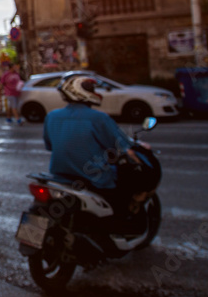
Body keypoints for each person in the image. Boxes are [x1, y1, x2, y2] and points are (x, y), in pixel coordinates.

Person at [44, 74, 157, 223]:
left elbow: (49, 145)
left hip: (59, 176)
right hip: (94, 178)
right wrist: (139, 158)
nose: (94, 91)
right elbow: (124, 148)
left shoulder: (52, 116)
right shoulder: (98, 118)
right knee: (129, 185)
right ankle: (121, 222)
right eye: (90, 88)